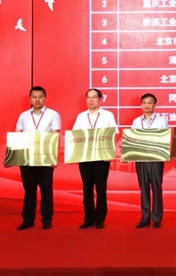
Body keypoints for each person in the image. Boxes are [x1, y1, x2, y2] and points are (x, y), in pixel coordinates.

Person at [13, 86, 61, 230]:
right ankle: (28, 219)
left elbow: (55, 136)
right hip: (27, 158)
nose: (37, 100)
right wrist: (13, 157)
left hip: (45, 158)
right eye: (34, 97)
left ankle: (46, 219)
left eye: (40, 97)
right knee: (29, 190)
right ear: (30, 99)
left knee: (46, 189)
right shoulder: (23, 116)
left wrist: (53, 157)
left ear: (45, 98)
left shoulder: (53, 114)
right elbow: (18, 136)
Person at [72, 88, 118, 229]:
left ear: (100, 99)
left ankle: (100, 219)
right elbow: (75, 136)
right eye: (88, 97)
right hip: (85, 158)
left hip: (101, 158)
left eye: (94, 97)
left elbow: (112, 135)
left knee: (101, 188)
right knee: (87, 188)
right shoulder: (81, 116)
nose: (91, 100)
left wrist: (109, 154)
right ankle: (88, 219)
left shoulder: (108, 115)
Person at [131, 93, 168, 229]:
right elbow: (132, 139)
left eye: (150, 102)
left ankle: (157, 218)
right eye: (144, 103)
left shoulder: (161, 121)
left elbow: (164, 139)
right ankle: (145, 217)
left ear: (154, 105)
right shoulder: (136, 122)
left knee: (157, 188)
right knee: (144, 188)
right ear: (141, 105)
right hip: (140, 159)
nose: (147, 105)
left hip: (156, 159)